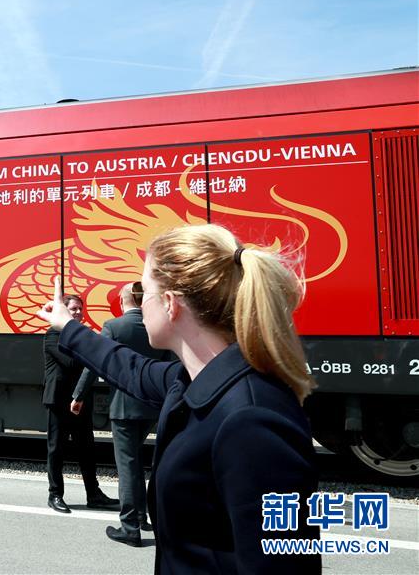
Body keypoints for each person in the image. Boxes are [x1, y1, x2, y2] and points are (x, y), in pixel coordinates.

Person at [37, 224, 320, 573]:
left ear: (171, 304)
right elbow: (130, 369)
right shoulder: (190, 380)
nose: (141, 302)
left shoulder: (252, 419)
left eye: (145, 291)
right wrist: (69, 327)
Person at [71, 281, 169, 547]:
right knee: (137, 463)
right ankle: (141, 516)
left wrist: (79, 395)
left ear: (122, 301)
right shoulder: (153, 327)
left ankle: (130, 528)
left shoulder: (114, 327)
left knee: (127, 466)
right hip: (151, 405)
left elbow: (94, 361)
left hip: (124, 408)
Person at [43, 293, 118, 513]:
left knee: (87, 449)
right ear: (64, 311)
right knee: (56, 449)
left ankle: (94, 494)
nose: (78, 313)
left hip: (80, 400)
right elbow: (71, 361)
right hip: (58, 400)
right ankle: (55, 494)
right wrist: (92, 351)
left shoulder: (82, 336)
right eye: (73, 309)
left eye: (80, 309)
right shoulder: (52, 335)